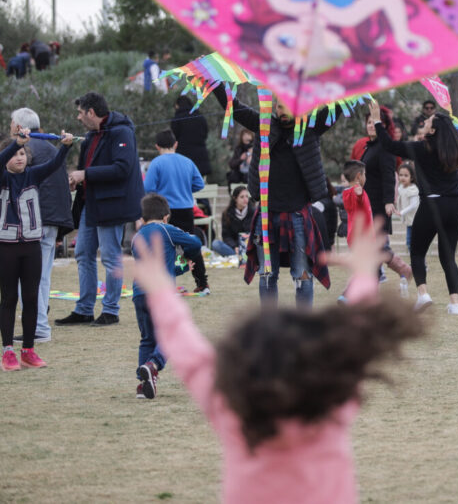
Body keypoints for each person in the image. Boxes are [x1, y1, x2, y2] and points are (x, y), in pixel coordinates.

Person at [128, 216, 425, 504]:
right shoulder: (333, 402)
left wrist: (161, 292)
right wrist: (362, 275)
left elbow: (189, 352)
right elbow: (357, 338)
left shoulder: (230, 408)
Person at [212, 85, 338, 308]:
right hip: (267, 215)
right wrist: (214, 83)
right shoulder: (264, 125)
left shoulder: (310, 127)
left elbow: (336, 106)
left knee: (302, 275)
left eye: (286, 107)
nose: (281, 111)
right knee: (267, 275)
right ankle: (270, 327)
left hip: (298, 215)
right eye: (279, 106)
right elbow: (235, 107)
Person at [369, 100, 458, 314]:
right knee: (447, 256)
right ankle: (454, 303)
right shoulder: (455, 148)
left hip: (433, 204)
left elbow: (389, 145)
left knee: (417, 251)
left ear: (432, 130)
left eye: (428, 121)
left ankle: (423, 294)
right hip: (455, 205)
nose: (424, 122)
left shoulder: (422, 148)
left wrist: (378, 121)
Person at [56, 92, 145, 327]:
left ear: (91, 113)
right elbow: (89, 167)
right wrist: (79, 178)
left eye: (80, 112)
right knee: (83, 254)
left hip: (111, 205)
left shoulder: (122, 132)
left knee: (109, 257)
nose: (78, 117)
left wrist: (86, 174)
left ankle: (111, 310)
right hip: (90, 204)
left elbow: (122, 168)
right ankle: (84, 309)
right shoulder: (91, 136)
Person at [0, 127, 75, 371]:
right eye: (14, 153)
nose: (19, 157)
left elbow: (54, 165)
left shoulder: (33, 175)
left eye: (22, 152)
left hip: (32, 245)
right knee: (9, 297)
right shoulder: (3, 177)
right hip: (7, 246)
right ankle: (8, 350)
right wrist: (13, 143)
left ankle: (29, 350)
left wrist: (65, 146)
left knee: (31, 298)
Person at [130, 193, 204, 398]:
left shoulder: (137, 236)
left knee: (147, 339)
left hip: (139, 292)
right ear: (165, 217)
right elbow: (195, 243)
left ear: (143, 218)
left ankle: (143, 385)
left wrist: (181, 268)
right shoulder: (167, 229)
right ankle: (153, 364)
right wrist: (187, 254)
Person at [143, 130, 209, 293]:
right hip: (186, 210)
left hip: (164, 211)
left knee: (162, 247)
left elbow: (148, 188)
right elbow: (200, 184)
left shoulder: (156, 163)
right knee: (192, 246)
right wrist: (185, 188)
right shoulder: (187, 161)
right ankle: (202, 283)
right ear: (176, 144)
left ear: (157, 146)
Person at [358, 107, 414, 283]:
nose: (371, 126)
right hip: (367, 204)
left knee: (376, 245)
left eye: (375, 122)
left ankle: (397, 272)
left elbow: (389, 175)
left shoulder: (385, 146)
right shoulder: (369, 146)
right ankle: (399, 271)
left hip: (379, 205)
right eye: (368, 122)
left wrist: (389, 201)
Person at [171, 95, 212, 179]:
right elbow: (205, 133)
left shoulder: (177, 119)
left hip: (183, 154)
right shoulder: (200, 117)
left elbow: (175, 135)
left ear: (178, 105)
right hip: (200, 155)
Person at [212, 185, 255, 258]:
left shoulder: (253, 212)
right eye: (242, 197)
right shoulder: (227, 214)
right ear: (235, 199)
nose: (245, 199)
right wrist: (235, 247)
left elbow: (255, 234)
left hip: (250, 247)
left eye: (246, 196)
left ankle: (243, 256)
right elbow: (226, 236)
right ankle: (237, 256)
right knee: (216, 244)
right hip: (234, 248)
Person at [395, 162, 419, 252]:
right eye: (401, 175)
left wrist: (401, 212)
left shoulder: (413, 189)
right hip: (409, 220)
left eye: (406, 175)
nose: (402, 177)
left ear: (411, 177)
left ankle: (418, 261)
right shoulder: (401, 188)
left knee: (412, 242)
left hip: (415, 219)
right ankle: (413, 259)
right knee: (409, 241)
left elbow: (414, 205)